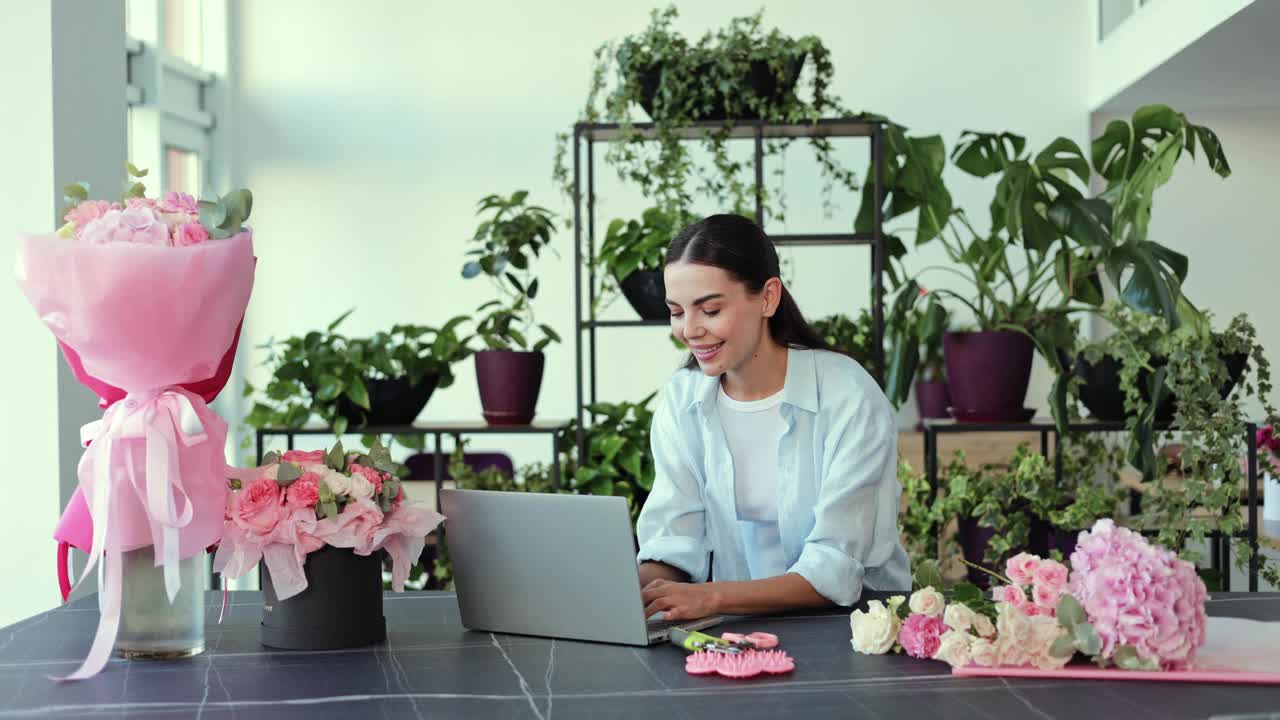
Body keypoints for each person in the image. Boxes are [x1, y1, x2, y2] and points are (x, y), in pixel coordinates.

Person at [636, 213, 910, 621]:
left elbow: (834, 569)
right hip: (740, 628)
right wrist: (628, 592)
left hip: (856, 625)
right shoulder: (683, 401)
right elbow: (675, 539)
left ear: (768, 297)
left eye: (709, 310)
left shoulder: (848, 396)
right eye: (677, 312)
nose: (689, 330)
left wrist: (711, 598)